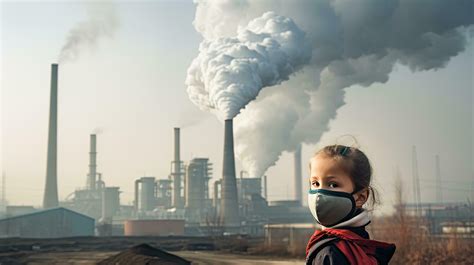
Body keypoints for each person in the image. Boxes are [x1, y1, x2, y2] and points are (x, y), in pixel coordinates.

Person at [306, 144, 396, 265]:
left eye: (333, 185)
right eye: (315, 183)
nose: (319, 194)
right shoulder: (366, 248)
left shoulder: (330, 253)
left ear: (360, 197)